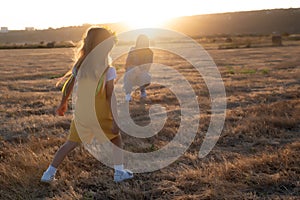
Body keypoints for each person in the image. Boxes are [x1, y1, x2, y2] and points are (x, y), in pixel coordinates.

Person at [41, 27, 133, 183]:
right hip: (100, 114)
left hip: (82, 114)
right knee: (116, 139)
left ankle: (48, 173)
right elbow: (110, 96)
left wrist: (62, 103)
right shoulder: (107, 70)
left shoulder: (80, 66)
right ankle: (119, 173)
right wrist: (116, 121)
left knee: (69, 144)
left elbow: (68, 86)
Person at [123, 34, 153, 101]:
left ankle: (142, 91)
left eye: (143, 42)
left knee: (145, 76)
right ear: (137, 42)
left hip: (142, 71)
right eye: (140, 42)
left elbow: (148, 67)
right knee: (130, 73)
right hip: (131, 70)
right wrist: (135, 68)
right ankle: (128, 94)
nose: (141, 44)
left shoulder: (150, 52)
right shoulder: (132, 49)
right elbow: (127, 63)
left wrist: (139, 70)